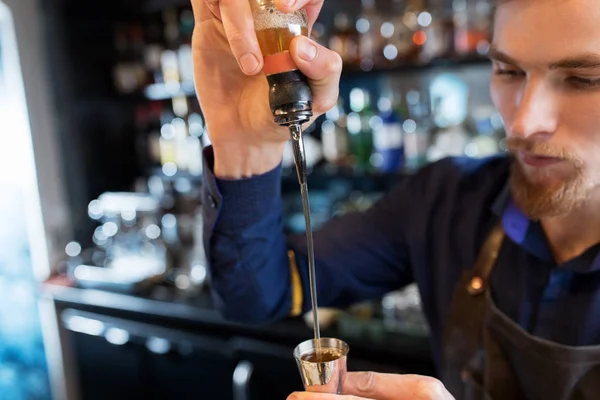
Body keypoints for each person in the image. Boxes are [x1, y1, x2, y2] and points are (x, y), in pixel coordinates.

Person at [190, 0, 600, 398]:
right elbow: (256, 295)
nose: (526, 121)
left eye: (584, 79)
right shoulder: (448, 199)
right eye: (508, 71)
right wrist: (245, 146)